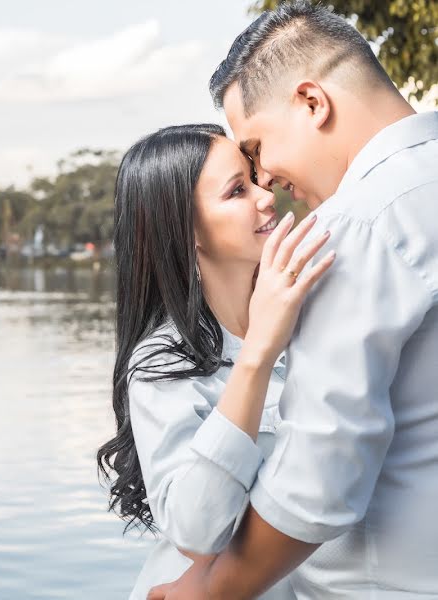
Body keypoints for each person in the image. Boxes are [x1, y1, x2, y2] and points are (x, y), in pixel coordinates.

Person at [150, 3, 438, 599]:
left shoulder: (353, 228)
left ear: (312, 102)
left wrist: (204, 593)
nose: (267, 182)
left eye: (256, 149)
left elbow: (318, 477)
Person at [96, 123, 334, 599]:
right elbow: (197, 530)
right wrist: (258, 355)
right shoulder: (161, 362)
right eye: (236, 191)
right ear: (188, 232)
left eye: (254, 178)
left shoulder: (317, 311)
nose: (265, 196)